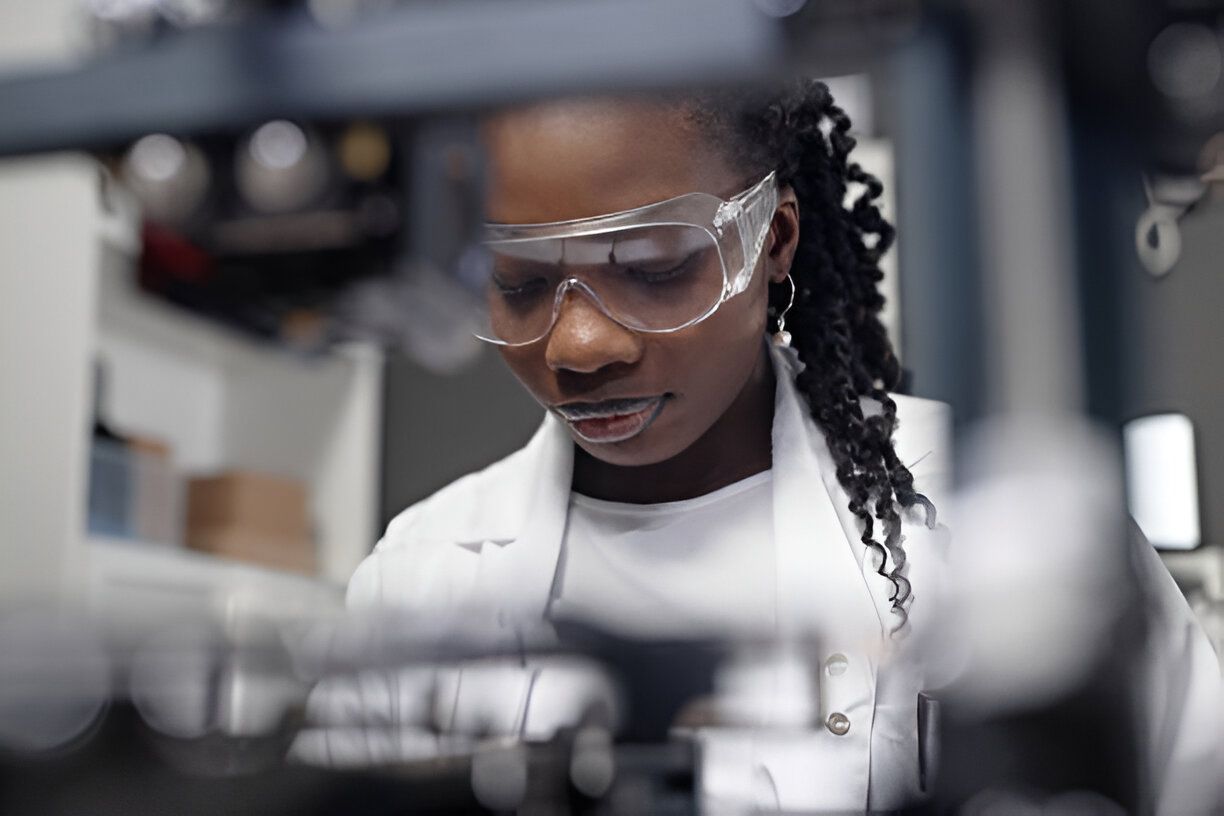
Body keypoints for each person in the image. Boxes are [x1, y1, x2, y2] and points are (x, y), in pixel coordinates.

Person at [296, 80, 1220, 812]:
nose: (579, 346)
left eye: (655, 267)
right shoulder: (417, 576)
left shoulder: (998, 517)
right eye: (520, 283)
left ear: (771, 239)